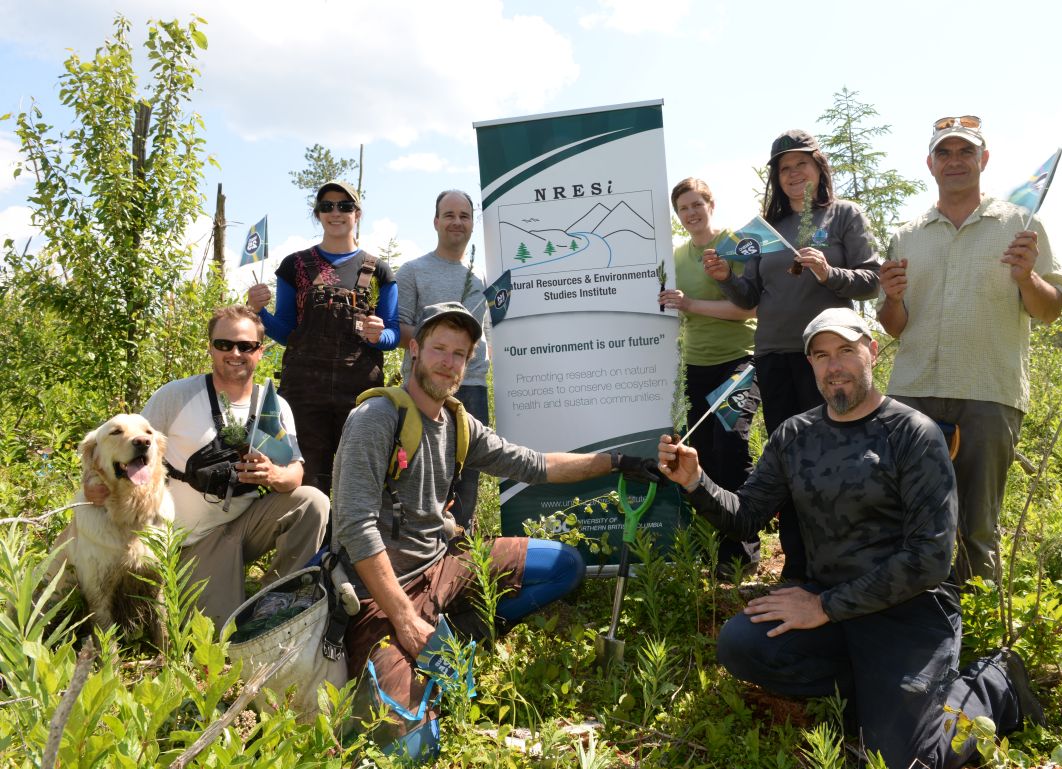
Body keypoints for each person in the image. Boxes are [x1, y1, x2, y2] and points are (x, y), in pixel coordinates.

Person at [656, 307, 1045, 769]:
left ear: (872, 352)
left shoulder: (912, 434)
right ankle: (873, 690)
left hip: (910, 612)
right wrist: (695, 481)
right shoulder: (794, 435)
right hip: (833, 608)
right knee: (741, 644)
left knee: (907, 761)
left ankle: (997, 683)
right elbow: (746, 517)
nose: (833, 365)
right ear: (812, 366)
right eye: (821, 356)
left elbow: (930, 559)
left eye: (845, 350)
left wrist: (821, 607)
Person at [332, 301, 661, 759]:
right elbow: (353, 525)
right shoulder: (376, 420)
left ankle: (455, 637)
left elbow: (536, 464)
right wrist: (406, 621)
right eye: (439, 349)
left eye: (459, 354)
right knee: (411, 750)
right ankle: (414, 647)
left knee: (566, 565)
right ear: (414, 350)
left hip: (444, 565)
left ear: (468, 364)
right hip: (379, 595)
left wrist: (618, 462)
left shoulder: (458, 423)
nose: (448, 363)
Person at [877, 116, 1062, 582]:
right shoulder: (907, 234)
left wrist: (1028, 277)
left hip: (988, 392)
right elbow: (893, 326)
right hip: (914, 393)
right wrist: (894, 299)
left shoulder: (1022, 224)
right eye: (945, 153)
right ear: (930, 164)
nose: (955, 161)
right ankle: (914, 614)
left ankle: (977, 631)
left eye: (965, 152)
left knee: (977, 524)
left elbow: (1050, 310)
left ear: (983, 160)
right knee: (909, 514)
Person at [704, 129, 881, 580]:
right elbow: (748, 298)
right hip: (774, 356)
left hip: (828, 357)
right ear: (776, 178)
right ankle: (797, 566)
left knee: (838, 456)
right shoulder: (766, 230)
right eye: (784, 168)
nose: (793, 173)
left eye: (801, 163)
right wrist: (726, 275)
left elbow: (873, 279)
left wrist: (829, 272)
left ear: (820, 167)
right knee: (791, 460)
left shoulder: (843, 215)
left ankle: (845, 565)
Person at [88, 305, 329, 628]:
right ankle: (216, 596)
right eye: (224, 344)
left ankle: (280, 600)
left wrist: (275, 474)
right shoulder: (176, 396)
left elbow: (295, 473)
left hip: (245, 525)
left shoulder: (272, 405)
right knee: (220, 633)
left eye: (246, 346)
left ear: (260, 352)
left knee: (313, 502)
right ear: (210, 347)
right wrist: (93, 482)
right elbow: (124, 443)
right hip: (191, 540)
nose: (235, 353)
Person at [246, 180, 400, 497]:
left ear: (357, 213)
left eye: (344, 206)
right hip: (304, 392)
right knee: (307, 479)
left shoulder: (378, 270)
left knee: (357, 478)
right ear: (318, 214)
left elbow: (394, 332)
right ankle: (313, 547)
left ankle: (350, 546)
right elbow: (288, 333)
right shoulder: (295, 265)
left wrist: (379, 335)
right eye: (327, 206)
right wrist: (258, 312)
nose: (336, 212)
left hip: (359, 392)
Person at [657, 177, 761, 574]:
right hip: (696, 365)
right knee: (703, 455)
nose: (691, 213)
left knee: (731, 444)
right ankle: (716, 547)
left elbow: (750, 309)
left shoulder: (736, 244)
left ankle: (745, 550)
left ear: (711, 205)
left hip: (740, 360)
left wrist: (691, 304)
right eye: (683, 208)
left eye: (697, 204)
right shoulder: (678, 257)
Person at [396, 190, 490, 532]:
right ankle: (418, 550)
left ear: (472, 224)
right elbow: (401, 328)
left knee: (466, 480)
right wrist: (440, 349)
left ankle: (458, 557)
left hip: (473, 388)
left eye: (464, 216)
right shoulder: (412, 271)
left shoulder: (485, 278)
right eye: (449, 215)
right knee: (421, 475)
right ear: (436, 222)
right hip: (425, 390)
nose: (457, 222)